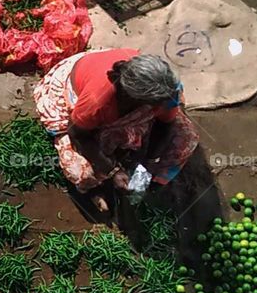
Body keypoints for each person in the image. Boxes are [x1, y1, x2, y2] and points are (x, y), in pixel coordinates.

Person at [33, 48, 199, 212]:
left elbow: (166, 124)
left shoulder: (165, 89)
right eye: (153, 104)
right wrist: (113, 171)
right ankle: (95, 189)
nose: (160, 106)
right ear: (130, 97)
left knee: (186, 137)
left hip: (120, 79)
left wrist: (148, 162)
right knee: (81, 172)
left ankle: (152, 180)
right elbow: (78, 134)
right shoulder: (97, 100)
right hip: (76, 91)